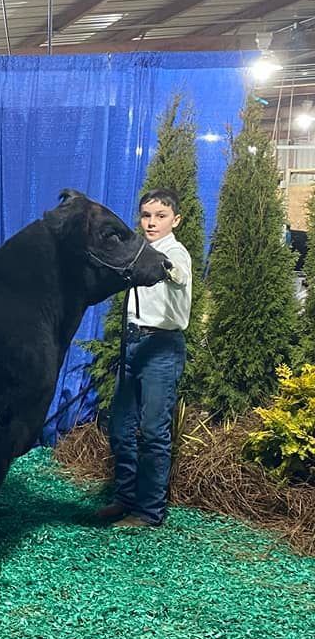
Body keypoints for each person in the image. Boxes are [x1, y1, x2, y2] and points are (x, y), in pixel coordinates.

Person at [97, 188, 192, 527]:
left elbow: (177, 274)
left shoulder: (176, 252)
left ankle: (149, 511)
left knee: (154, 432)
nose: (152, 223)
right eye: (146, 216)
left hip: (161, 347)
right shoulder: (138, 251)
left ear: (175, 220)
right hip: (132, 344)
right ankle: (124, 498)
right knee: (121, 427)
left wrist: (162, 268)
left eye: (161, 216)